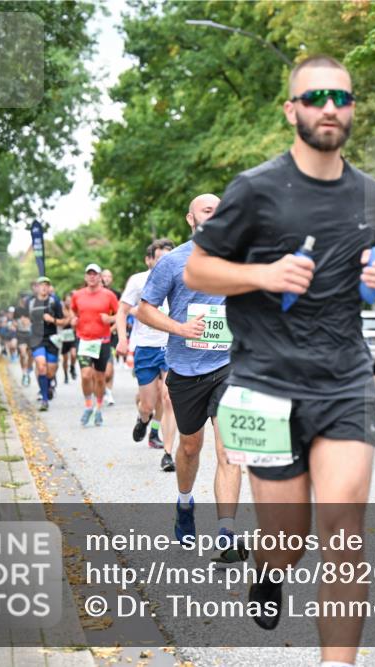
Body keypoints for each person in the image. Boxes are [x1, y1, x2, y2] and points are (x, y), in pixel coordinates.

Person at [184, 55, 375, 665]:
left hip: (343, 379)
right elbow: (200, 267)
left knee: (344, 536)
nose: (329, 106)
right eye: (314, 97)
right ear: (292, 110)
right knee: (286, 539)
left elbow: (364, 283)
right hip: (264, 383)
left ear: (353, 109)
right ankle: (268, 569)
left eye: (341, 97)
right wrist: (263, 273)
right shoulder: (256, 189)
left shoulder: (372, 196)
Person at [136, 194, 245, 561]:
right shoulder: (172, 262)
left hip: (229, 366)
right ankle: (184, 503)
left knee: (229, 450)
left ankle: (226, 533)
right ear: (191, 218)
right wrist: (180, 328)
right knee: (189, 447)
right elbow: (145, 311)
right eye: (207, 210)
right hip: (184, 369)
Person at [117, 239, 178, 471]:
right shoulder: (138, 280)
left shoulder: (179, 277)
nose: (165, 263)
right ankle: (144, 419)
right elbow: (122, 312)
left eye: (169, 258)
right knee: (148, 404)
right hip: (145, 348)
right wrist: (122, 340)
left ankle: (168, 453)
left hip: (171, 345)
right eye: (160, 258)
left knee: (169, 397)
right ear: (149, 259)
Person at [69, 263, 119, 426]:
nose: (91, 276)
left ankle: (98, 408)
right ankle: (88, 405)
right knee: (85, 375)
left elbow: (120, 315)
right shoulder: (78, 295)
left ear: (99, 277)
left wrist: (110, 320)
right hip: (83, 340)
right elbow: (72, 310)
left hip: (102, 341)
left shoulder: (109, 295)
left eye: (94, 274)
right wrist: (73, 319)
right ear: (85, 277)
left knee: (99, 378)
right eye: (89, 274)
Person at [27, 277, 67, 411]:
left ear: (49, 287)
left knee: (50, 371)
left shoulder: (54, 302)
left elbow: (64, 321)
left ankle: (49, 385)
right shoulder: (31, 302)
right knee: (41, 366)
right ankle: (44, 399)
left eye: (46, 285)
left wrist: (52, 319)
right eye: (41, 285)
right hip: (36, 339)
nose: (44, 288)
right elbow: (24, 319)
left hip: (52, 339)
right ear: (36, 287)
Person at [101, 268, 120, 405]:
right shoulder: (94, 294)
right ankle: (101, 390)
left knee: (109, 369)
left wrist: (112, 327)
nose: (106, 278)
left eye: (109, 276)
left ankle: (109, 392)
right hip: (95, 336)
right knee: (99, 368)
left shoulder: (116, 294)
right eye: (104, 276)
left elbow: (121, 315)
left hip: (111, 335)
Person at [14, 293, 33, 385]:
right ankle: (24, 373)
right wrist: (16, 324)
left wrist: (26, 321)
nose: (25, 300)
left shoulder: (30, 309)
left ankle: (28, 370)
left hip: (30, 334)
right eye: (23, 299)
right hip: (21, 334)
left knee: (30, 354)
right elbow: (14, 321)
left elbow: (32, 321)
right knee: (22, 354)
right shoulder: (17, 310)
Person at [60, 294, 78, 383]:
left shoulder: (74, 310)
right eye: (67, 300)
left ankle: (72, 367)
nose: (68, 302)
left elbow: (75, 321)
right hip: (65, 335)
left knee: (74, 354)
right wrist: (69, 319)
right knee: (65, 358)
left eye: (70, 300)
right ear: (64, 301)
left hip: (73, 334)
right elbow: (62, 323)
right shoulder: (61, 311)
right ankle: (66, 375)